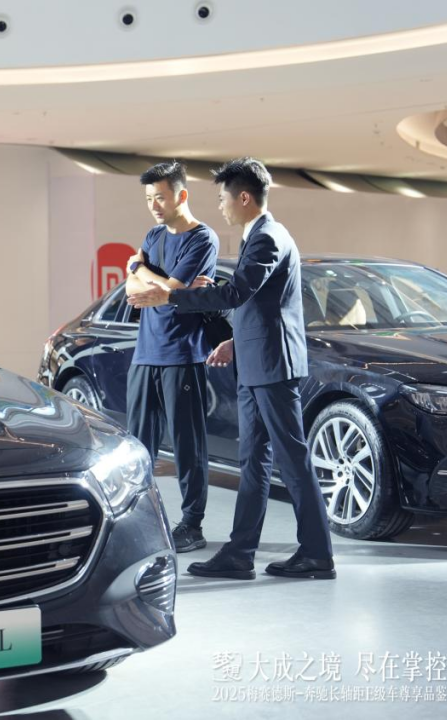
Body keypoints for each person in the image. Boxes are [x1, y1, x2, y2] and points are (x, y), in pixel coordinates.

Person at [127, 157, 336, 580]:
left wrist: (171, 296)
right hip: (256, 362)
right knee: (253, 462)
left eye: (223, 198)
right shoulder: (258, 236)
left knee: (292, 460)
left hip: (273, 366)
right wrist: (234, 341)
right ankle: (239, 554)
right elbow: (259, 305)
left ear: (243, 197)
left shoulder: (267, 237)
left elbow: (238, 293)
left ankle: (317, 554)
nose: (220, 206)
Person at [124, 161, 220, 552]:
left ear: (181, 195)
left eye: (160, 197)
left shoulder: (203, 239)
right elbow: (132, 289)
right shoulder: (153, 235)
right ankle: (137, 517)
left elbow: (171, 290)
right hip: (145, 354)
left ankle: (192, 525)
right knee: (138, 446)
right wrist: (148, 277)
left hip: (182, 354)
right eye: (149, 198)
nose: (154, 206)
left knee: (187, 446)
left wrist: (139, 267)